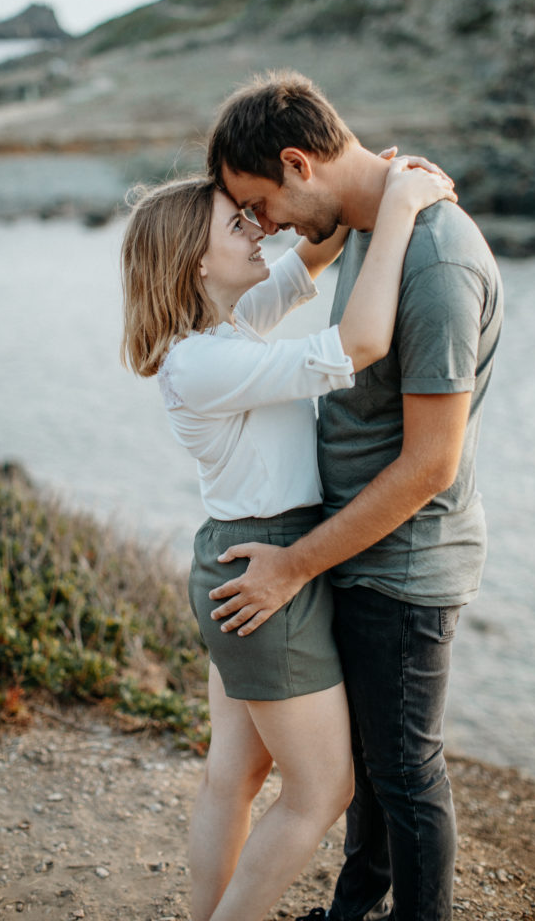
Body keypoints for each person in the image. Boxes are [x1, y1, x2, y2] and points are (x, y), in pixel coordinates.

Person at [120, 158, 456, 921]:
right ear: (194, 260)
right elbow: (361, 342)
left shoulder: (218, 331)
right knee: (322, 789)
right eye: (238, 223)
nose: (258, 227)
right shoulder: (210, 361)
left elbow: (312, 251)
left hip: (239, 554)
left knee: (232, 775)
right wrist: (401, 207)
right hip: (265, 563)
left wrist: (364, 178)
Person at [206, 71, 503, 921]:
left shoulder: (436, 260)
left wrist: (291, 568)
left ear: (298, 164)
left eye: (259, 204)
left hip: (404, 564)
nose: (263, 228)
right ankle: (351, 912)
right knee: (375, 764)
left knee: (405, 773)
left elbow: (428, 466)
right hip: (359, 551)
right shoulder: (374, 221)